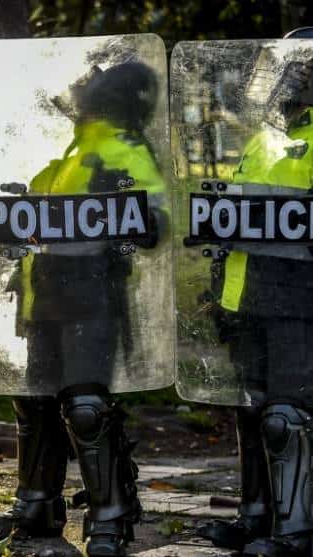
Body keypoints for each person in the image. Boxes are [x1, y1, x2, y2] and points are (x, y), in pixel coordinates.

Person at [0, 61, 166, 557]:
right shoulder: (73, 150)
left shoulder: (122, 147)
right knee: (35, 402)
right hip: (45, 297)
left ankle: (109, 515)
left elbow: (155, 220)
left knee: (86, 406)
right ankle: (36, 505)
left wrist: (135, 206)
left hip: (93, 299)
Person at [196, 29, 313, 557]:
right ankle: (257, 518)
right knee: (254, 408)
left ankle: (296, 531)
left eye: (297, 69)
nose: (284, 79)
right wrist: (218, 289)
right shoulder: (263, 140)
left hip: (300, 304)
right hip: (247, 298)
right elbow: (236, 224)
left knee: (287, 417)